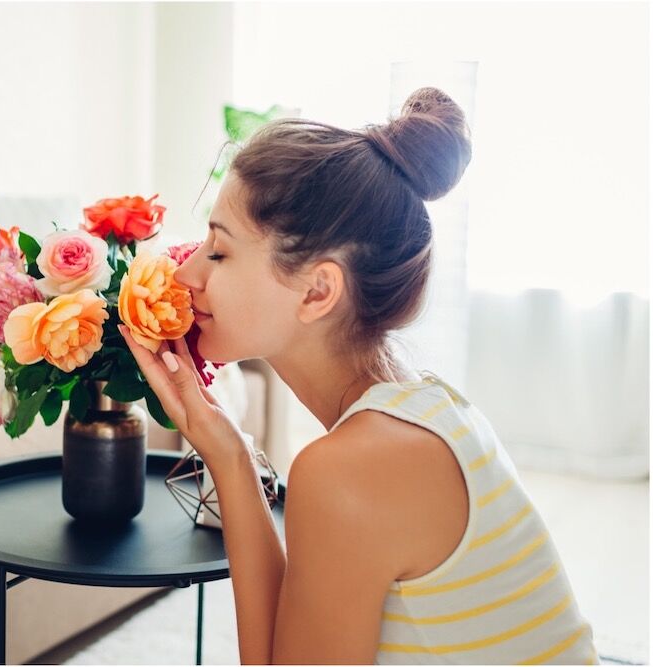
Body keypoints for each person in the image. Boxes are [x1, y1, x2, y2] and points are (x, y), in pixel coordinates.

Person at [118, 87, 599, 665]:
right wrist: (229, 452)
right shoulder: (433, 407)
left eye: (218, 252)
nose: (188, 272)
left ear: (318, 290)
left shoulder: (350, 471)